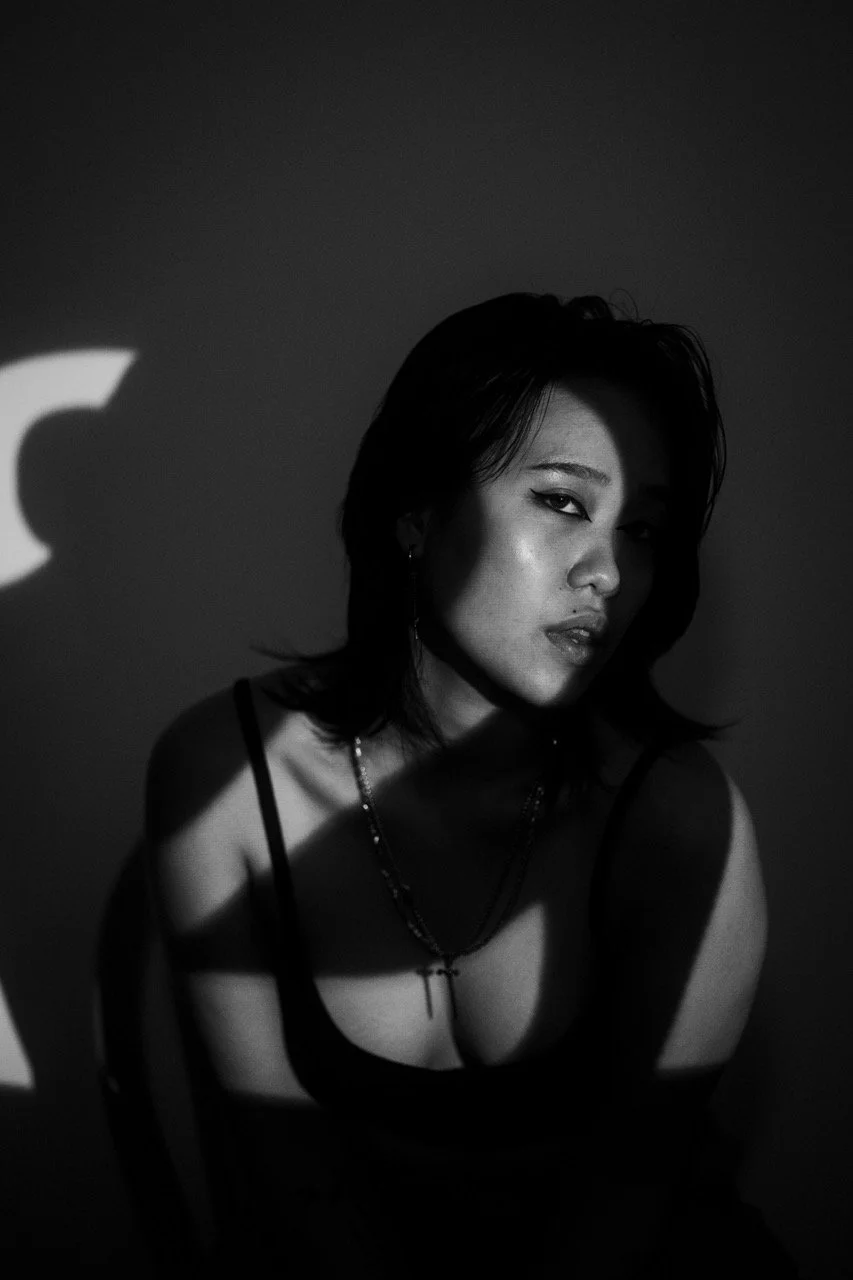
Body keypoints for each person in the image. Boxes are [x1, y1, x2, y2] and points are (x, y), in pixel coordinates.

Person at [145, 293, 798, 1277]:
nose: (608, 572)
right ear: (417, 510)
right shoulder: (228, 779)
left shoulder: (676, 820)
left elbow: (629, 1201)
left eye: (644, 530)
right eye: (563, 502)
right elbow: (285, 1182)